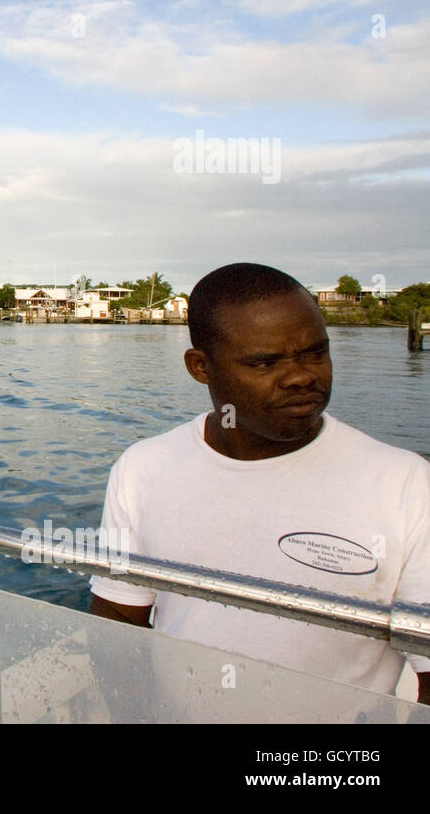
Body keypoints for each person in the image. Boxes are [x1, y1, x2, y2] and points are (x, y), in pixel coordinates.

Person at [88, 262, 430, 703]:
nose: (302, 376)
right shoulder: (143, 469)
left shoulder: (405, 484)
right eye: (265, 362)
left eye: (315, 353)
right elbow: (119, 616)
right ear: (200, 367)